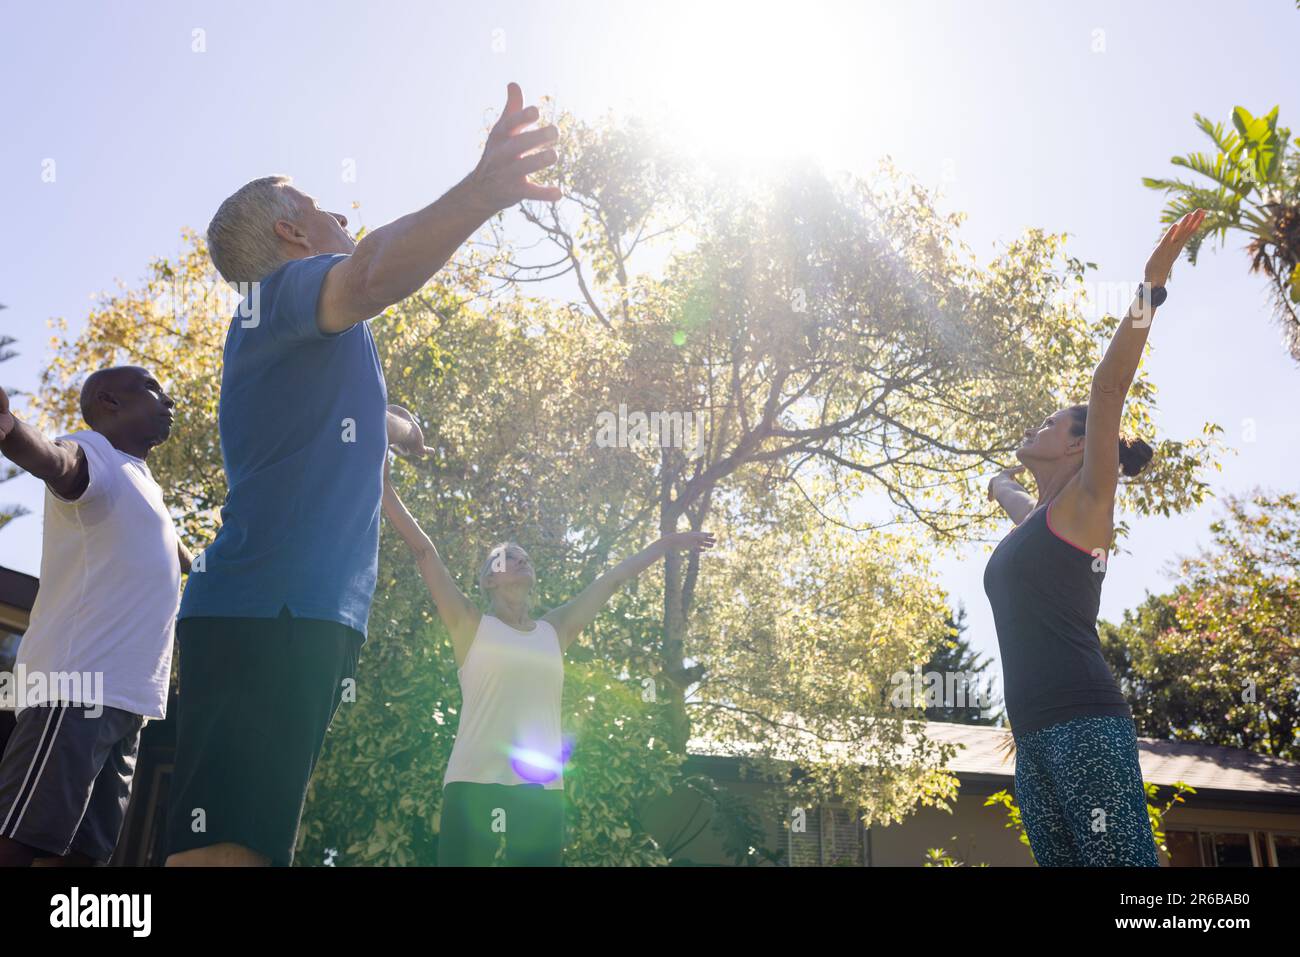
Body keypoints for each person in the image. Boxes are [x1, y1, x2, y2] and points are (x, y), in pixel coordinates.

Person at [164, 82, 561, 867]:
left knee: (250, 843)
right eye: (322, 207)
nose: (342, 215)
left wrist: (403, 429)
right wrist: (482, 191)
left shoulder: (305, 344)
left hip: (296, 623)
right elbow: (374, 269)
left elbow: (367, 419)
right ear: (291, 230)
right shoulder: (276, 297)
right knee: (228, 852)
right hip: (264, 614)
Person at [984, 208, 1206, 867]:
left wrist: (1151, 286)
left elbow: (1107, 387)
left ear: (1081, 443)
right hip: (1034, 737)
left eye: (1049, 421)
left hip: (1084, 723)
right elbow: (1011, 494)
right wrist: (997, 481)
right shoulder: (1038, 523)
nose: (1036, 426)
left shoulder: (1086, 505)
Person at [381, 450, 714, 865]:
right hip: (472, 784)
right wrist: (385, 487)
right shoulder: (470, 625)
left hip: (541, 791)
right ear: (489, 579)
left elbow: (612, 580)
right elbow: (425, 553)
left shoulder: (553, 631)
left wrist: (667, 543)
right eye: (508, 557)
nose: (520, 560)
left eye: (525, 557)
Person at [0, 368, 189, 866]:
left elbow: (178, 555)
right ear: (108, 401)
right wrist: (11, 431)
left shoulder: (145, 486)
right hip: (78, 684)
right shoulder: (94, 453)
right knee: (21, 838)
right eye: (154, 389)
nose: (169, 399)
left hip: (127, 702)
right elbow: (57, 462)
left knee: (83, 857)